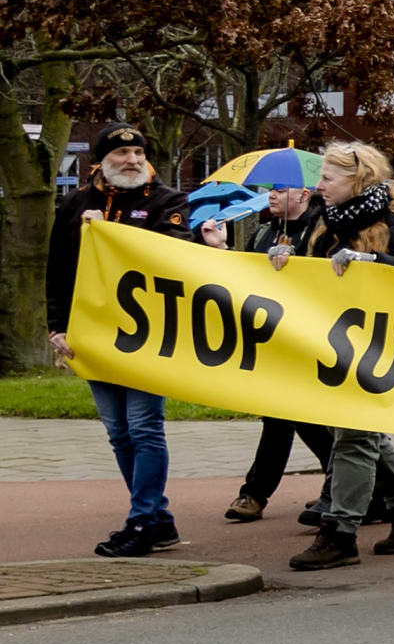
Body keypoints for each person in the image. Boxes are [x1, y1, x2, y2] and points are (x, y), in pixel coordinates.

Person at [287, 142, 394, 567]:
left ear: (356, 180)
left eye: (327, 178)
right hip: (338, 341)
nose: (318, 186)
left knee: (352, 434)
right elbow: (317, 269)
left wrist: (371, 259)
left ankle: (340, 533)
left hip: (381, 342)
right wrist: (285, 261)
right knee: (362, 433)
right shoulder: (327, 216)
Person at [47, 125, 194, 555]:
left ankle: (144, 519)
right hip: (93, 332)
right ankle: (159, 518)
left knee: (145, 427)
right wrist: (57, 325)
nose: (131, 160)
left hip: (148, 333)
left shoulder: (168, 201)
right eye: (122, 153)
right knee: (118, 432)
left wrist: (112, 233)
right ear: (101, 161)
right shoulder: (75, 204)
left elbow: (176, 250)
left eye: (137, 152)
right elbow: (57, 268)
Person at [220, 173, 326, 525]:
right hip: (273, 336)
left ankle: (255, 494)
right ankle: (345, 485)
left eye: (280, 190)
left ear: (305, 195)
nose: (272, 196)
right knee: (288, 415)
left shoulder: (320, 231)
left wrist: (296, 261)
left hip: (312, 337)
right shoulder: (264, 233)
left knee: (288, 416)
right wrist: (220, 250)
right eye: (269, 190)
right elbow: (245, 277)